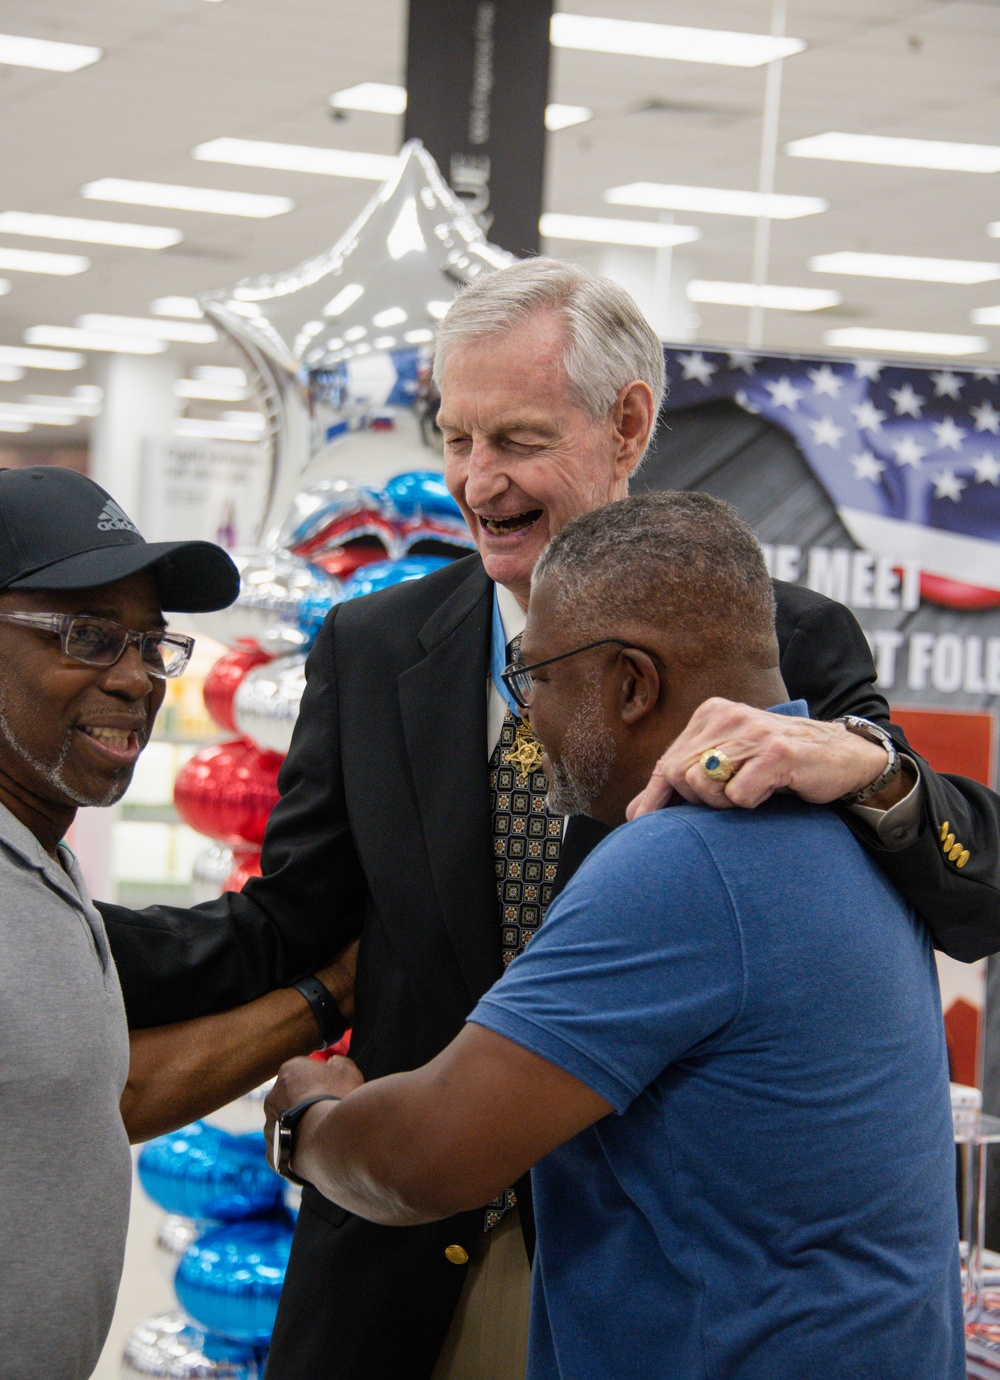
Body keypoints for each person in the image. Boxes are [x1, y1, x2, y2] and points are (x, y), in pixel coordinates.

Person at [97, 259, 1000, 1380]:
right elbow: (288, 925)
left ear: (627, 425)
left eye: (514, 440)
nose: (475, 482)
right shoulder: (374, 650)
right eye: (453, 437)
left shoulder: (773, 638)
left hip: (657, 1273)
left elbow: (971, 896)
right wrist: (60, 942)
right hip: (399, 1259)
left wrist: (870, 769)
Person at [262, 491, 965, 1380]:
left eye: (537, 678)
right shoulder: (854, 821)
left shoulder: (682, 865)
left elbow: (426, 1161)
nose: (529, 720)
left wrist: (307, 1121)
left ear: (632, 683)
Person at [0, 465, 354, 1380]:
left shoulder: (40, 870)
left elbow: (97, 1097)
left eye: (151, 644)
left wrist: (331, 993)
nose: (136, 680)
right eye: (86, 635)